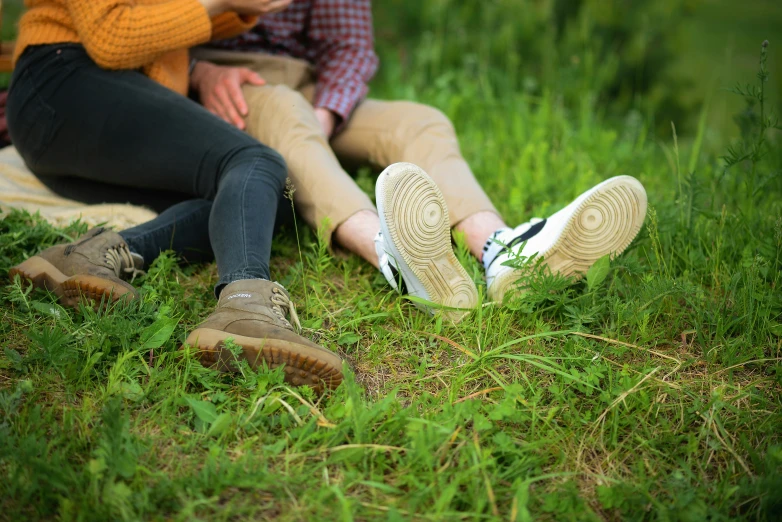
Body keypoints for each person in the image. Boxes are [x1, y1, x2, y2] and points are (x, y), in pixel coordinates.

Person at [188, 0, 649, 322]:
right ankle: (391, 256)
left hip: (308, 86)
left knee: (421, 121)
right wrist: (197, 71)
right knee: (288, 114)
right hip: (228, 86)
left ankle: (501, 250)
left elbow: (348, 46)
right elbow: (135, 29)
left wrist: (326, 117)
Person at [4, 0, 343, 392]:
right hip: (64, 87)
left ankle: (93, 253)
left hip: (98, 121)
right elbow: (110, 36)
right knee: (254, 160)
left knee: (266, 199)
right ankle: (247, 304)